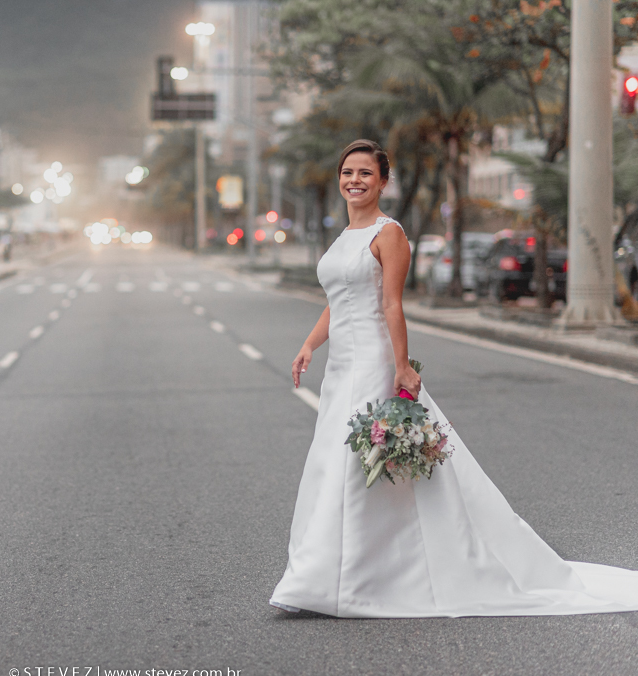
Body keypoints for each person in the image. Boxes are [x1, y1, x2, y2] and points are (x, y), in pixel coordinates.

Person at [270, 139, 638, 618]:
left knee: (357, 464)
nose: (354, 181)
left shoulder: (390, 234)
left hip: (373, 365)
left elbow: (391, 305)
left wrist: (402, 367)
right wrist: (309, 345)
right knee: (335, 463)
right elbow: (338, 302)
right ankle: (331, 572)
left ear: (383, 181)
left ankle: (350, 579)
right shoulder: (344, 238)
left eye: (365, 173)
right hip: (341, 367)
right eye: (347, 173)